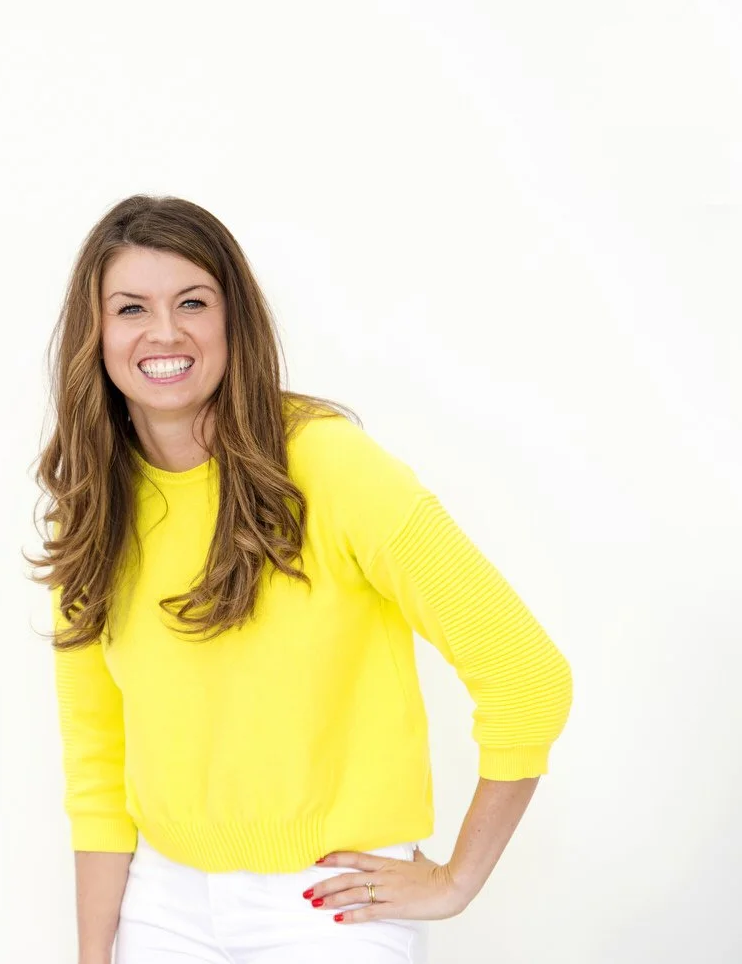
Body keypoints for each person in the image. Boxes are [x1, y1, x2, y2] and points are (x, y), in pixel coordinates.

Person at [28, 195, 574, 964]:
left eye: (193, 302)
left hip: (327, 906)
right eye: (130, 308)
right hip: (161, 905)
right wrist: (95, 955)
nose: (164, 332)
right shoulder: (92, 507)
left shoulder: (327, 464)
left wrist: (455, 881)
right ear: (97, 335)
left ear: (234, 321)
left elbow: (527, 674)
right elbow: (96, 762)